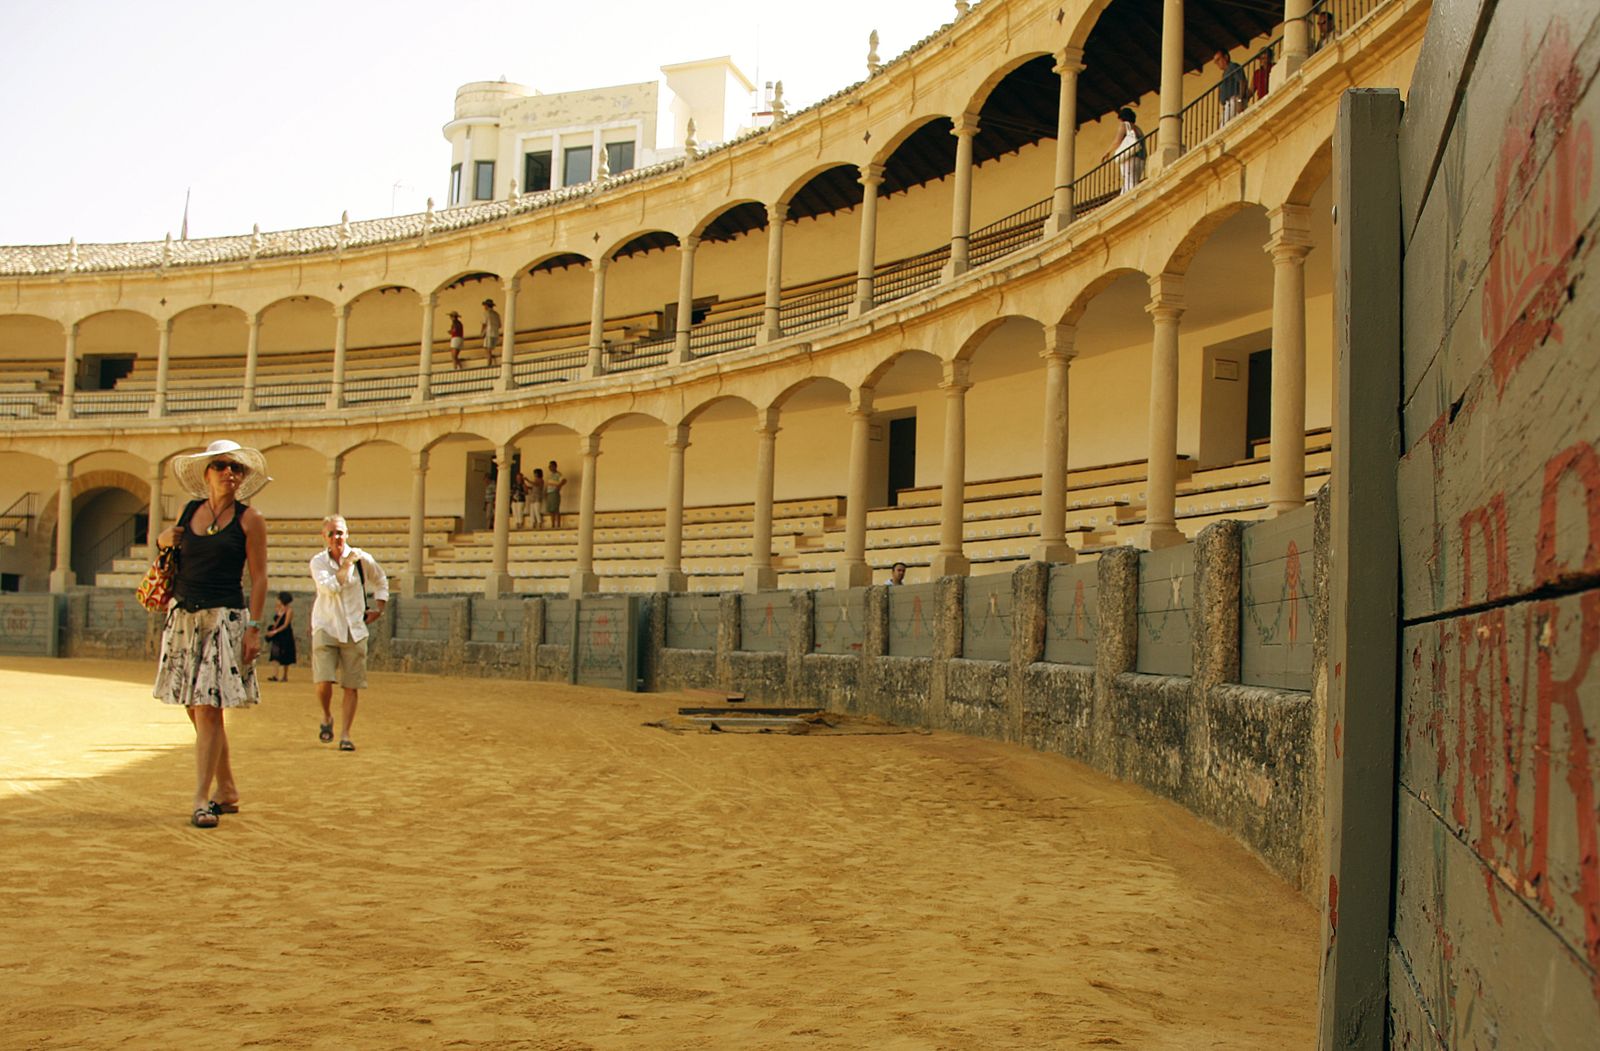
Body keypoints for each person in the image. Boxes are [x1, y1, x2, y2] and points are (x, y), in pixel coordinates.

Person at [151, 439, 270, 829]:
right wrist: (160, 540)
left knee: (207, 707)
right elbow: (171, 551)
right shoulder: (188, 512)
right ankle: (228, 788)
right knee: (195, 706)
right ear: (206, 473)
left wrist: (253, 628)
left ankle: (202, 799)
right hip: (184, 618)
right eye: (220, 466)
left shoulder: (250, 519)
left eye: (236, 468)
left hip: (223, 618)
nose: (229, 474)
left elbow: (259, 577)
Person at [309, 515, 388, 752]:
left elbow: (381, 580)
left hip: (354, 627)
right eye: (331, 533)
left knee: (351, 685)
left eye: (340, 532)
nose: (336, 538)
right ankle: (326, 715)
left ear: (347, 534)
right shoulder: (319, 562)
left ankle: (345, 734)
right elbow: (329, 588)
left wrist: (380, 608)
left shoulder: (362, 559)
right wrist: (346, 565)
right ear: (324, 537)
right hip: (326, 625)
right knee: (323, 681)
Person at [1108, 108, 1146, 196]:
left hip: (1130, 157)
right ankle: (1124, 197)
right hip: (1141, 158)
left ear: (1121, 118)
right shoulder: (1138, 129)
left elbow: (1117, 141)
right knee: (1133, 180)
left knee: (1129, 180)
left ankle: (1132, 198)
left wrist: (1107, 152)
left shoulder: (1124, 125)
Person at [264, 591, 297, 681]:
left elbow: (285, 625)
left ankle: (285, 676)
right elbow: (276, 622)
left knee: (286, 655)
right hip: (278, 635)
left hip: (285, 634)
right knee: (275, 654)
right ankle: (275, 675)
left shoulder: (289, 610)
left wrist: (275, 632)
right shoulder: (278, 609)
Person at [1215, 50, 1245, 125]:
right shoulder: (1225, 73)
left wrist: (1239, 101)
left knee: (1223, 127)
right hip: (1229, 103)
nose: (1217, 63)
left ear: (1226, 57)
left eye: (1218, 60)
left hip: (1234, 100)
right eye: (1216, 62)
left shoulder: (1233, 67)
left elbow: (1242, 82)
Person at [544, 460, 566, 529]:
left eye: (551, 466)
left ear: (555, 466)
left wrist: (559, 486)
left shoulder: (558, 474)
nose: (550, 467)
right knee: (551, 510)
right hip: (549, 493)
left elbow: (564, 480)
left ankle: (558, 524)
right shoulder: (550, 475)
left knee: (555, 509)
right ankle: (552, 524)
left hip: (554, 493)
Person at [481, 298, 501, 368]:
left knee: (488, 349)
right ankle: (490, 360)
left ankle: (489, 363)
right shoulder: (496, 314)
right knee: (491, 348)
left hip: (489, 333)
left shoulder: (486, 313)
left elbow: (484, 324)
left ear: (486, 306)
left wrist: (482, 333)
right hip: (495, 333)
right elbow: (499, 325)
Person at [510, 464, 529, 529]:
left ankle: (520, 523)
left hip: (521, 500)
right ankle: (516, 523)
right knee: (514, 512)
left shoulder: (523, 484)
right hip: (514, 500)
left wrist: (520, 492)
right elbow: (512, 491)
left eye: (519, 477)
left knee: (519, 511)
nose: (518, 479)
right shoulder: (514, 484)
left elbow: (526, 492)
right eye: (517, 477)